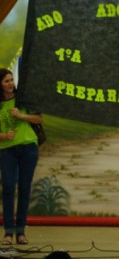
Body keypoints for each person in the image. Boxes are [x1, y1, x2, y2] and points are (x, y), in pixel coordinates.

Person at [0, 68, 43, 245]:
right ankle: (8, 231)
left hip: (28, 147)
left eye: (11, 80)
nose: (10, 84)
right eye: (6, 81)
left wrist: (20, 115)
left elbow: (39, 119)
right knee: (9, 187)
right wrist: (3, 136)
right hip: (6, 150)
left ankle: (21, 231)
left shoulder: (23, 98)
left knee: (25, 188)